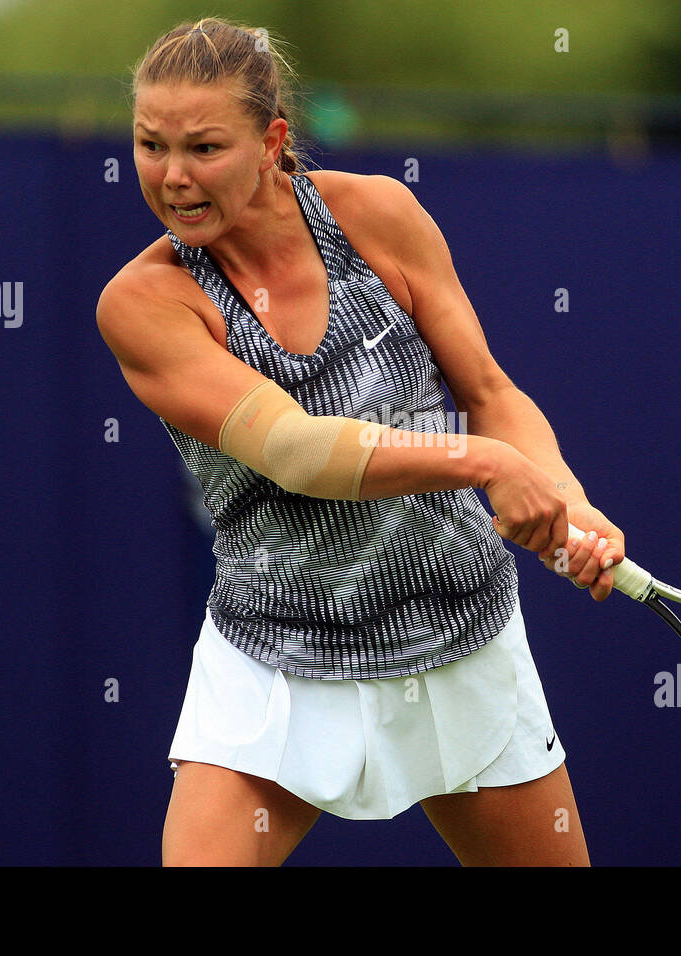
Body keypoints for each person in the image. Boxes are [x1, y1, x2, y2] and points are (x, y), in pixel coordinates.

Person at [97, 18, 626, 866]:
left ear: (272, 141)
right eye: (149, 145)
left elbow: (490, 393)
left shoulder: (378, 214)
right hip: (278, 656)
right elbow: (299, 453)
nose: (172, 176)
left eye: (203, 147)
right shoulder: (143, 303)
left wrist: (567, 499)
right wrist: (489, 463)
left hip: (460, 632)